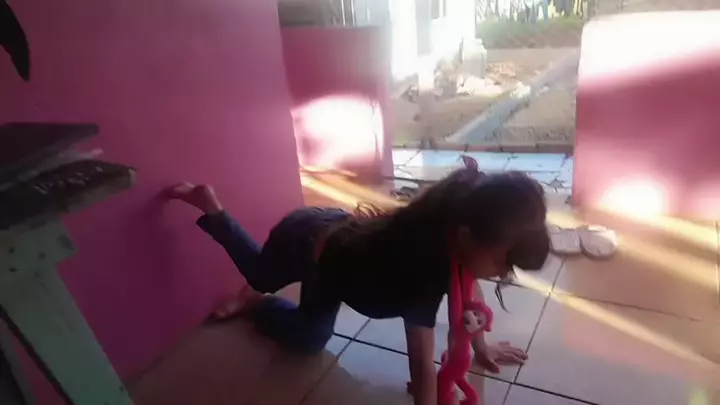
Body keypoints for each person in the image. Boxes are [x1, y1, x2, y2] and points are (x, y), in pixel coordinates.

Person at [166, 167, 550, 405]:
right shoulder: (421, 271)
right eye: (503, 262)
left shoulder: (459, 224)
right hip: (305, 242)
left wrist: (481, 346)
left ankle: (253, 304)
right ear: (467, 237)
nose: (503, 273)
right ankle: (214, 212)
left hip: (340, 262)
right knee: (261, 276)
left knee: (310, 340)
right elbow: (421, 365)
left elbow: (468, 297)